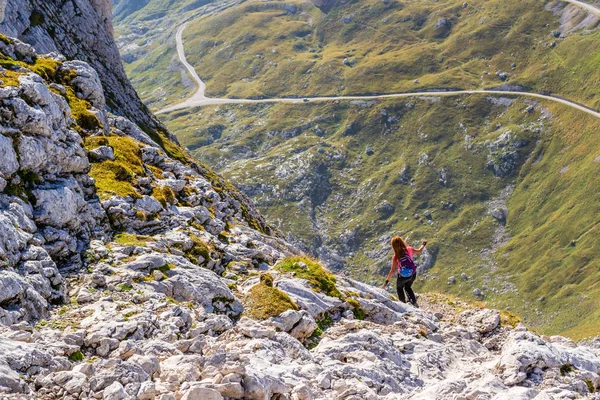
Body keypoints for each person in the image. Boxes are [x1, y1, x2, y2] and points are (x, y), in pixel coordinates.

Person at [381, 236, 428, 307]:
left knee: (399, 288)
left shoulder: (396, 256)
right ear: (402, 242)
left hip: (402, 276)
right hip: (413, 273)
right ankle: (413, 302)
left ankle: (403, 304)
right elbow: (419, 251)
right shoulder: (409, 249)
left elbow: (392, 271)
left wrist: (385, 283)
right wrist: (423, 244)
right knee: (408, 287)